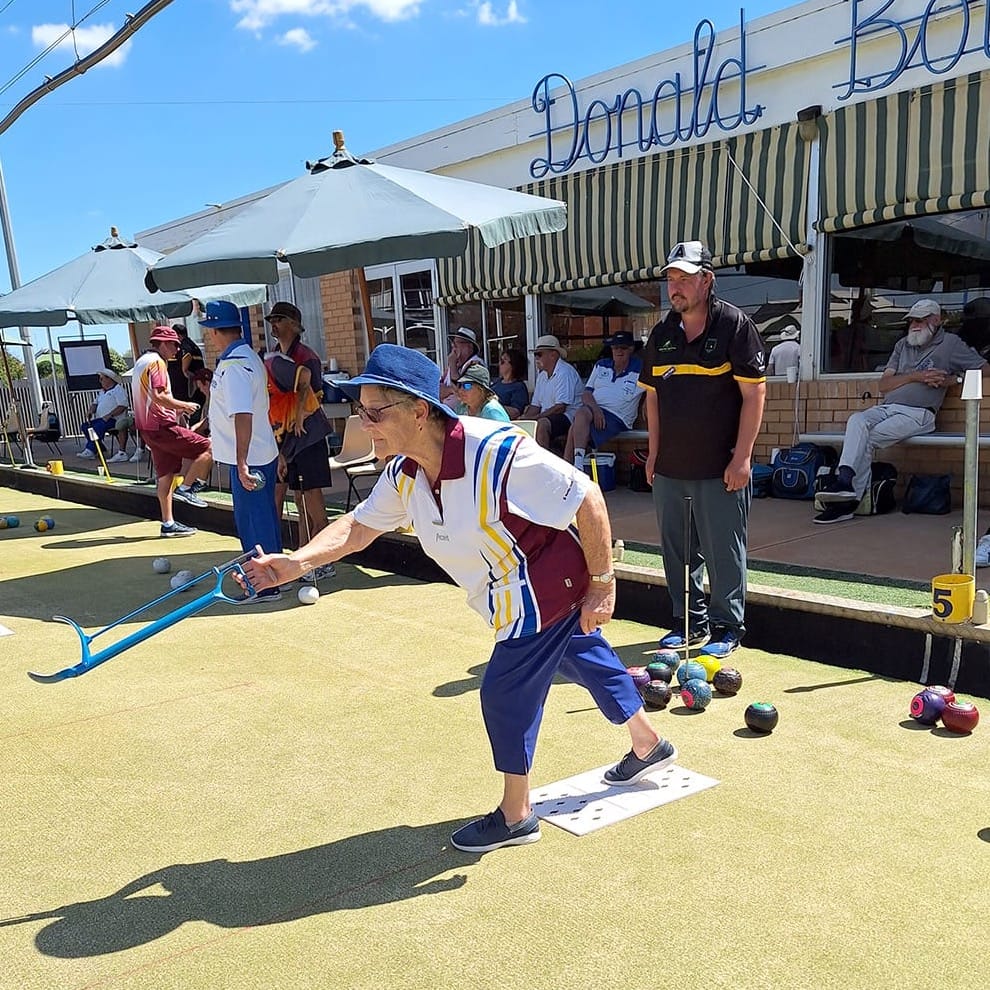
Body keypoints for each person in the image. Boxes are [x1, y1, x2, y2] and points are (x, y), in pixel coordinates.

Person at [240, 344, 679, 853]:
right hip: (506, 588)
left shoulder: (493, 450)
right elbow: (358, 527)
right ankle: (648, 745)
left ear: (420, 410)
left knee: (503, 690)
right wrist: (297, 563)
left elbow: (587, 497)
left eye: (375, 412)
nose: (364, 424)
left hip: (542, 579)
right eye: (361, 411)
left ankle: (516, 814)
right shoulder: (405, 472)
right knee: (584, 655)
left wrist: (603, 585)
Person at [638, 240, 767, 659]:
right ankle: (687, 622)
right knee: (676, 551)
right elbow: (653, 398)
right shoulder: (661, 333)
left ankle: (728, 628)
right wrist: (653, 454)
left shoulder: (734, 325)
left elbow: (754, 395)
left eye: (684, 278)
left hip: (721, 466)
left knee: (723, 550)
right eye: (671, 279)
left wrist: (743, 457)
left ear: (706, 280)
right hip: (671, 466)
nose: (675, 287)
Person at [816, 299, 988, 524]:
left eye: (920, 320)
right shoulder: (902, 345)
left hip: (919, 414)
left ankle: (848, 499)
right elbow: (884, 385)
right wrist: (916, 376)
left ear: (935, 320)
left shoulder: (951, 344)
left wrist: (953, 379)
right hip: (887, 408)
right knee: (857, 420)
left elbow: (984, 368)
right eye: (911, 320)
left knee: (863, 440)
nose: (914, 325)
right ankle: (846, 483)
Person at [199, 301, 283, 603]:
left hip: (250, 458)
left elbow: (243, 414)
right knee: (264, 520)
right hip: (260, 452)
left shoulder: (235, 366)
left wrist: (242, 461)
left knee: (253, 524)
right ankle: (274, 578)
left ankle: (265, 586)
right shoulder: (247, 357)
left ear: (215, 332)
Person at [264, 301, 335, 581]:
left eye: (279, 319)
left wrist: (301, 414)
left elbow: (311, 386)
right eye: (272, 319)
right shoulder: (279, 355)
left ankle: (325, 556)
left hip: (310, 435)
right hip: (292, 439)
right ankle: (305, 555)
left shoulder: (306, 355)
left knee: (312, 497)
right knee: (299, 496)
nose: (274, 324)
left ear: (294, 324)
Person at [132, 325, 213, 537]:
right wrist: (183, 406)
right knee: (210, 447)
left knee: (166, 475)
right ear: (163, 343)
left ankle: (168, 524)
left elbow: (151, 397)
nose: (178, 349)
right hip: (162, 426)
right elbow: (159, 395)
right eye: (174, 345)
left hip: (148, 428)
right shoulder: (157, 363)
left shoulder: (141, 362)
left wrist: (174, 410)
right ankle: (187, 489)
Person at [563, 330, 642, 466]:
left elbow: (656, 387)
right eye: (615, 347)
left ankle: (571, 468)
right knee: (581, 414)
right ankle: (576, 466)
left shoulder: (640, 368)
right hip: (595, 410)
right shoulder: (601, 365)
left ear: (631, 349)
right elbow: (586, 393)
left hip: (618, 416)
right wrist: (596, 410)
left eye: (623, 347)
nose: (619, 351)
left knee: (575, 428)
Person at [519, 334, 583, 450]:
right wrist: (524, 418)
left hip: (569, 418)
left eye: (539, 354)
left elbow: (560, 408)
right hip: (549, 416)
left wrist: (536, 418)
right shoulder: (542, 376)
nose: (536, 358)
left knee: (542, 424)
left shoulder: (565, 372)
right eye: (535, 355)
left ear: (553, 355)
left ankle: (542, 464)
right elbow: (535, 405)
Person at [78, 368, 129, 461]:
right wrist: (90, 410)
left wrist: (109, 415)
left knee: (97, 427)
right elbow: (95, 403)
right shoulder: (102, 391)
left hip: (114, 420)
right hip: (101, 419)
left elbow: (123, 406)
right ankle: (99, 449)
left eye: (102, 379)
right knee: (85, 426)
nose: (100, 381)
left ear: (109, 379)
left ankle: (90, 449)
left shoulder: (118, 390)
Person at [440, 327, 485, 406]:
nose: (453, 346)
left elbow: (461, 389)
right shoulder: (454, 364)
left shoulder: (476, 364)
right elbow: (439, 387)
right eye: (453, 343)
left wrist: (452, 364)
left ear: (469, 346)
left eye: (457, 343)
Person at [491, 348, 530, 419]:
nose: (499, 364)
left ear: (513, 365)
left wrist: (492, 406)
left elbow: (516, 412)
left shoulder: (519, 387)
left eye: (503, 361)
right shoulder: (496, 382)